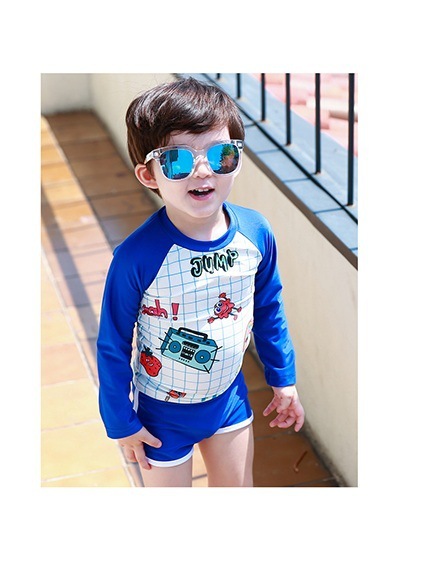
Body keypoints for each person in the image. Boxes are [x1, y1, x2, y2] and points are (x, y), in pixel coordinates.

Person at [97, 77, 305, 487]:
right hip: (161, 416)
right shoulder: (137, 257)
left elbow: (269, 309)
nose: (203, 170)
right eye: (177, 160)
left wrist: (283, 378)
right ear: (148, 175)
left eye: (220, 154)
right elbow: (113, 341)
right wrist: (120, 421)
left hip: (228, 399)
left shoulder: (255, 234)